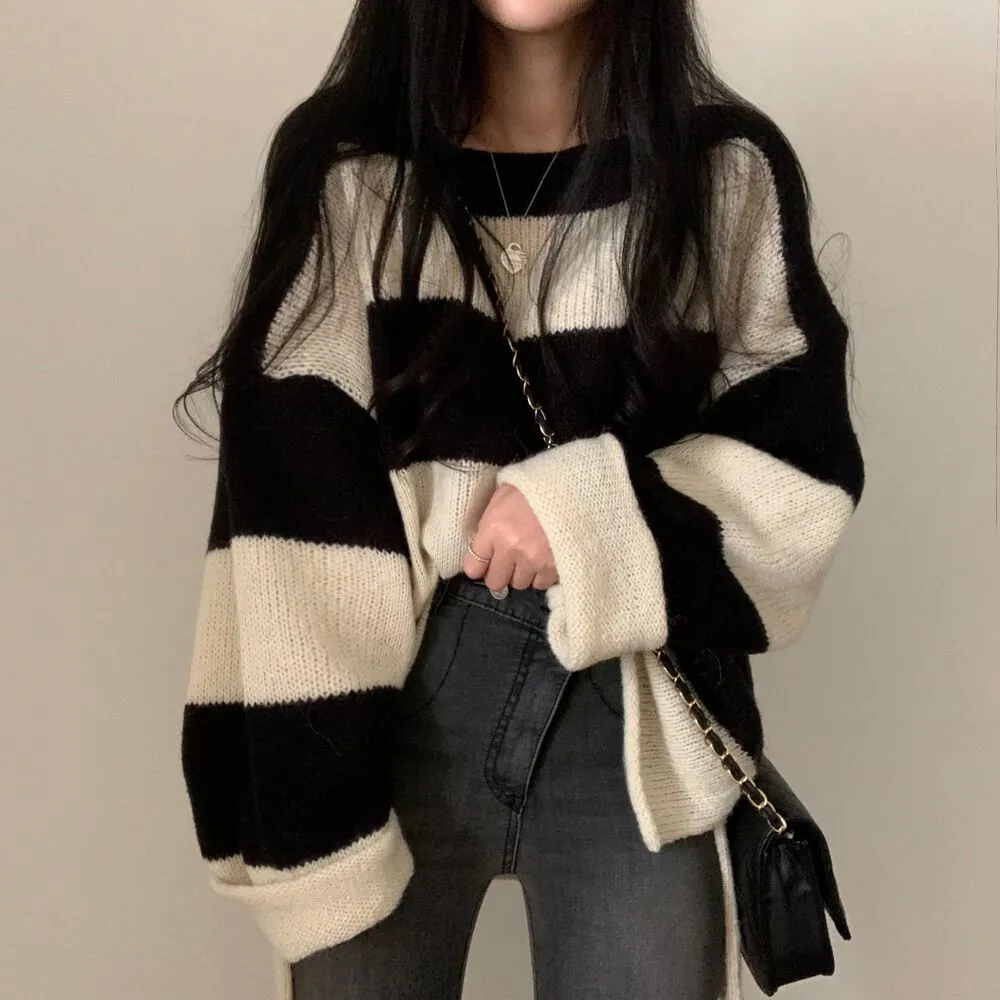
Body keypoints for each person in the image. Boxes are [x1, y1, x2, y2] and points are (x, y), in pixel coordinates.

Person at [175, 1, 865, 998]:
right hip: (381, 710)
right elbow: (285, 529)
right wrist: (303, 828)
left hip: (635, 718)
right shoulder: (346, 172)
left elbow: (801, 471)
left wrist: (587, 516)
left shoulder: (725, 173)